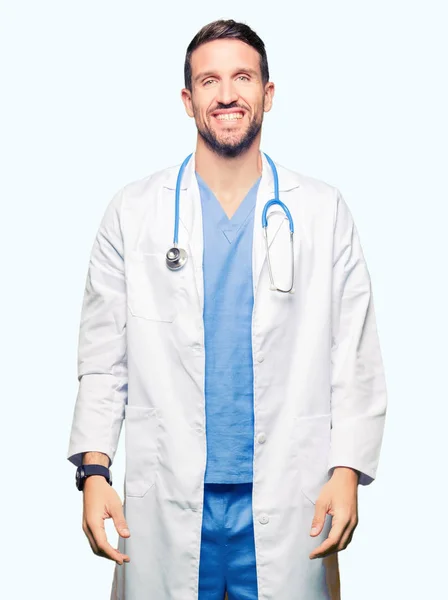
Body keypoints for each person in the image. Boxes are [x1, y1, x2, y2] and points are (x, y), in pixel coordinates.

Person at [67, 18, 388, 600]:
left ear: (268, 94)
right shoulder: (132, 212)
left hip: (290, 496)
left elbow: (354, 356)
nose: (227, 93)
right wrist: (94, 471)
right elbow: (102, 360)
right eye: (209, 81)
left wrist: (346, 472)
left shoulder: (322, 211)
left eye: (243, 77)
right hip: (166, 496)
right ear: (189, 102)